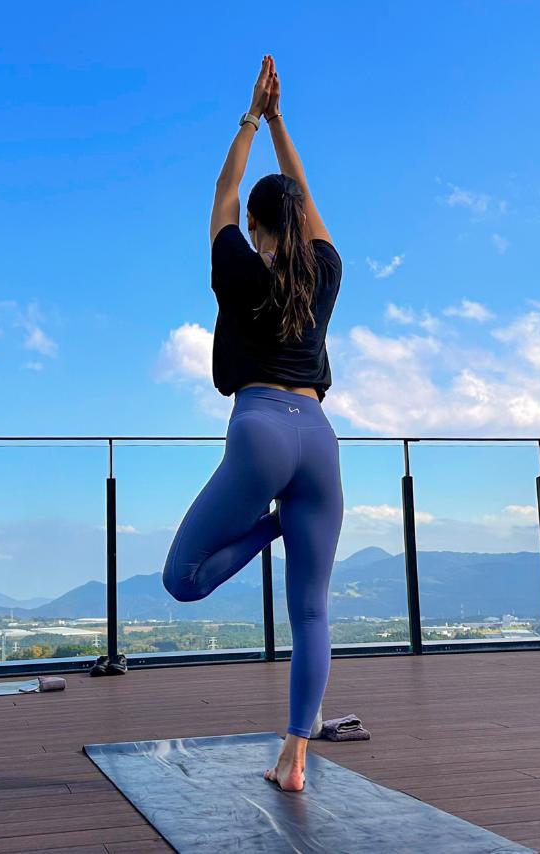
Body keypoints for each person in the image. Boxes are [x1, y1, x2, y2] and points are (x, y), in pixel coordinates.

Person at [162, 56, 344, 791]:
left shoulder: (240, 263)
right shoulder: (327, 272)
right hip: (321, 442)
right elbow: (307, 201)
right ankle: (294, 762)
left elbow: (223, 192)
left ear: (260, 227)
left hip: (262, 428)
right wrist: (280, 123)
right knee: (312, 612)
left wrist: (249, 118)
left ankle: (270, 527)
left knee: (182, 580)